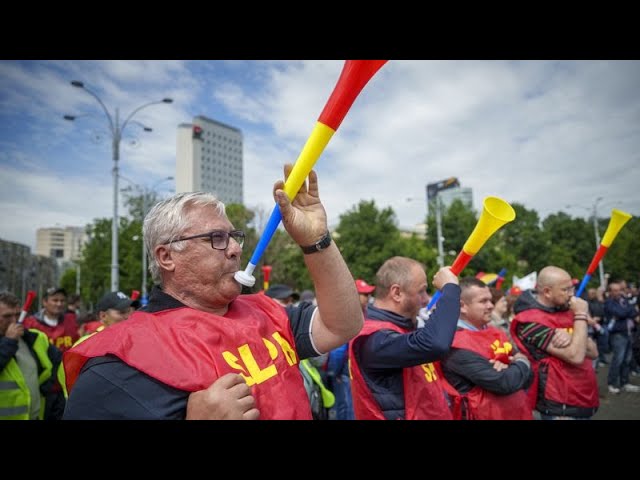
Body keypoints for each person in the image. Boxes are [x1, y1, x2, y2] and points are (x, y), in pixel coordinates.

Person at [63, 166, 363, 420]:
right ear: (167, 256)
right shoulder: (117, 362)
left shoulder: (266, 311)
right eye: (216, 238)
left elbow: (344, 325)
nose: (234, 249)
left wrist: (316, 240)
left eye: (234, 237)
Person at [348, 256, 460, 420]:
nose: (426, 299)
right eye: (421, 291)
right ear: (397, 293)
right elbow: (436, 344)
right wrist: (450, 289)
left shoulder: (400, 328)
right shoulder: (374, 338)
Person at [511, 266, 599, 419]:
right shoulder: (529, 321)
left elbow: (593, 352)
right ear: (547, 292)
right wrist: (580, 315)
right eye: (565, 290)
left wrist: (572, 337)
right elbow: (576, 356)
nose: (571, 295)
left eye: (572, 288)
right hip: (559, 402)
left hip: (582, 394)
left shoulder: (564, 310)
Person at [439, 277, 533, 420]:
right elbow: (502, 383)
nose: (490, 306)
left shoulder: (495, 332)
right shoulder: (454, 344)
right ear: (462, 306)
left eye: (490, 300)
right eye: (483, 301)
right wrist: (519, 361)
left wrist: (513, 366)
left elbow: (528, 377)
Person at [0, 292, 65, 420]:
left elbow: (57, 360)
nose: (14, 321)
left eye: (18, 315)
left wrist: (47, 388)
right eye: (7, 316)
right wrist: (9, 341)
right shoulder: (10, 340)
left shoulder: (34, 338)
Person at [604, 280, 640, 394]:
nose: (618, 292)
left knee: (627, 360)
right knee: (618, 360)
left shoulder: (624, 300)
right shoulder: (609, 302)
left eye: (619, 290)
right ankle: (612, 383)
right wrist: (627, 312)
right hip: (618, 334)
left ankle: (625, 382)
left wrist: (626, 312)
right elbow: (621, 313)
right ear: (610, 292)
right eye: (614, 290)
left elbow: (633, 311)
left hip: (629, 332)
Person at [23, 287, 79, 352]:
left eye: (62, 301)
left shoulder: (71, 320)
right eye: (55, 300)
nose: (59, 304)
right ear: (44, 302)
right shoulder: (30, 324)